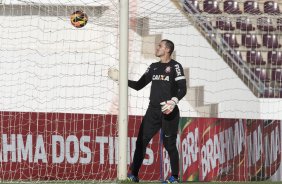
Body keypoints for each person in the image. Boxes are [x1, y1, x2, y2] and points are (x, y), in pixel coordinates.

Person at [108, 39, 187, 183]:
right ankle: (134, 175)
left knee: (169, 145)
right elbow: (139, 85)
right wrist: (121, 79)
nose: (157, 48)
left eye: (160, 46)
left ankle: (175, 177)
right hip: (153, 111)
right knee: (141, 142)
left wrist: (173, 102)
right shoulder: (153, 67)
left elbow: (183, 88)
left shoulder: (176, 66)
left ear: (167, 50)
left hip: (169, 111)